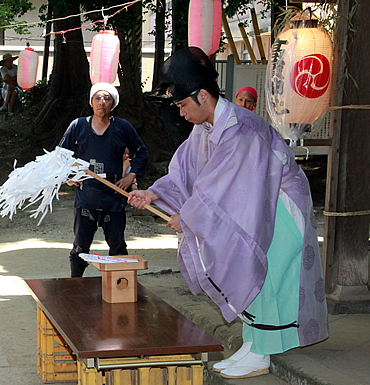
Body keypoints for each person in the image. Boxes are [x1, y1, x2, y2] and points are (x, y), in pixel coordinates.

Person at [127, 47, 328, 379]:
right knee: (248, 265)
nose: (180, 114)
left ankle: (263, 351)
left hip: (275, 207)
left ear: (202, 96)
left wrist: (188, 217)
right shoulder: (205, 128)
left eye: (182, 105)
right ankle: (254, 342)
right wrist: (154, 193)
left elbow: (222, 189)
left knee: (263, 269)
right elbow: (186, 173)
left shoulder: (241, 130)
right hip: (251, 206)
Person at [58, 83, 148, 277]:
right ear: (91, 102)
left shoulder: (122, 127)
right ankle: (76, 285)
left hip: (114, 197)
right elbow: (61, 155)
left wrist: (130, 176)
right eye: (97, 98)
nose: (102, 102)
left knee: (117, 246)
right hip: (86, 197)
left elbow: (141, 152)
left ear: (113, 103)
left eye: (107, 98)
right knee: (80, 247)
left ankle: (121, 287)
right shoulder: (78, 125)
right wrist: (69, 177)